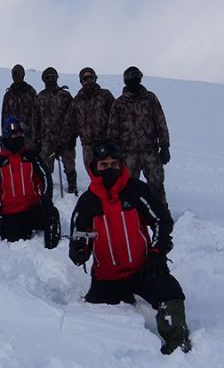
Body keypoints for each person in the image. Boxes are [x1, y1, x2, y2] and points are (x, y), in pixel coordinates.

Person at [69, 138, 191, 355]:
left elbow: (162, 221)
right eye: (104, 165)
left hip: (144, 268)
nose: (109, 169)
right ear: (94, 167)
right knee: (92, 318)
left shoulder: (136, 190)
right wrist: (78, 251)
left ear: (121, 164)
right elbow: (79, 236)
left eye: (114, 164)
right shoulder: (87, 201)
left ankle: (177, 344)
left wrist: (156, 253)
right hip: (107, 276)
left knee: (171, 292)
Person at [0, 117, 60, 248]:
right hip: (11, 215)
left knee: (52, 214)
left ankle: (52, 251)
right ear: (7, 135)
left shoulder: (31, 156)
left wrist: (46, 199)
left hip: (33, 209)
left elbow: (45, 177)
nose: (18, 137)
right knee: (16, 246)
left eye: (20, 134)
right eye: (14, 134)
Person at [107, 66, 171, 208]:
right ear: (125, 81)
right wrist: (113, 153)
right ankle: (131, 213)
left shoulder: (150, 98)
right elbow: (112, 130)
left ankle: (161, 212)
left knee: (157, 183)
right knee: (128, 185)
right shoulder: (119, 103)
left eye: (136, 78)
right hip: (127, 153)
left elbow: (160, 122)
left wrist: (165, 146)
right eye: (130, 79)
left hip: (150, 151)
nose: (133, 81)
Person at [31, 67, 78, 194]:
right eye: (47, 77)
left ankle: (73, 189)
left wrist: (73, 136)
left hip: (65, 138)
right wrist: (36, 140)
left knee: (69, 165)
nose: (50, 79)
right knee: (44, 166)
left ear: (57, 77)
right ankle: (45, 188)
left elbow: (74, 117)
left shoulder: (65, 96)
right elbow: (35, 120)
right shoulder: (40, 97)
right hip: (47, 140)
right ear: (44, 80)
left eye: (53, 77)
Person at [61, 67, 115, 165]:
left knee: (109, 174)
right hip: (88, 146)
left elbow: (115, 117)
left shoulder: (105, 95)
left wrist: (115, 139)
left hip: (106, 143)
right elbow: (69, 123)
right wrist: (64, 142)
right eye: (85, 79)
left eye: (91, 77)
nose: (89, 80)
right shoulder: (77, 101)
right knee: (93, 174)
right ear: (81, 81)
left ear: (95, 78)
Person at [0, 64, 37, 131]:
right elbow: (4, 116)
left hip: (28, 133)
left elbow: (37, 113)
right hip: (12, 133)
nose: (16, 77)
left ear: (23, 75)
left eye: (18, 74)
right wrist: (4, 133)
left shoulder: (31, 92)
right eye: (14, 74)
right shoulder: (8, 95)